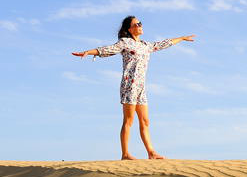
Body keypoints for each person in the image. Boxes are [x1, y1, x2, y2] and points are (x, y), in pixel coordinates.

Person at [72, 16, 195, 160]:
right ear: (129, 29)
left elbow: (163, 44)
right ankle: (125, 154)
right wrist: (88, 52)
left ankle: (151, 152)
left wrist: (181, 38)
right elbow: (108, 49)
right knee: (129, 120)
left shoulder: (145, 45)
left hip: (141, 87)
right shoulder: (125, 42)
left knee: (145, 121)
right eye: (137, 24)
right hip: (129, 85)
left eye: (140, 23)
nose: (140, 25)